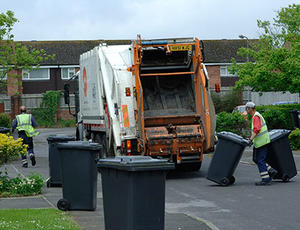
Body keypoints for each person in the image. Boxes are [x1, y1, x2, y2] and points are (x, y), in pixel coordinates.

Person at [246, 102, 277, 186]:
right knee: (256, 159)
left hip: (262, 142)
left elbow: (257, 129)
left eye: (247, 108)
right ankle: (271, 170)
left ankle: (265, 179)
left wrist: (250, 139)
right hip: (260, 142)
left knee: (260, 160)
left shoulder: (256, 116)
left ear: (250, 108)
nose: (246, 110)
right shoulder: (255, 116)